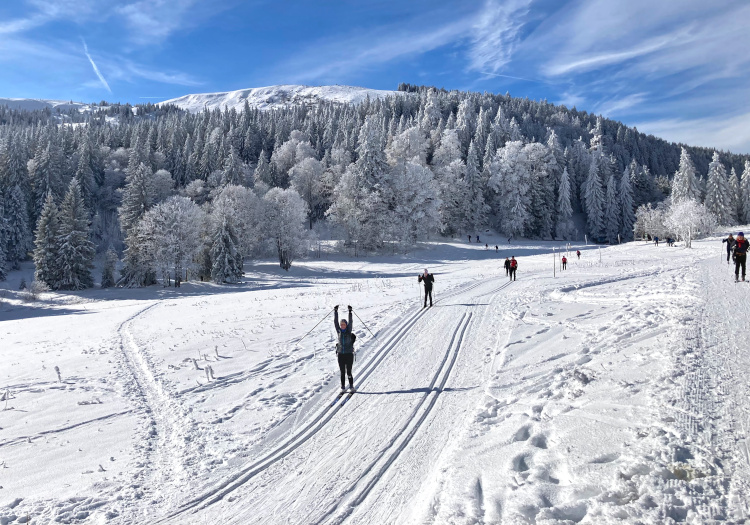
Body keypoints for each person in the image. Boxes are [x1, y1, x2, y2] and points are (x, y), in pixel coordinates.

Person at [334, 305, 356, 392]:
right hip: (340, 354)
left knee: (349, 372)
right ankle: (343, 386)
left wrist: (350, 312)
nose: (342, 326)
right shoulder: (339, 331)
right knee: (342, 371)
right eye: (341, 325)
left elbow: (351, 321)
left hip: (349, 354)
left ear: (346, 325)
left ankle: (351, 386)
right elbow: (335, 322)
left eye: (344, 324)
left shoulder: (349, 330)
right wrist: (335, 311)